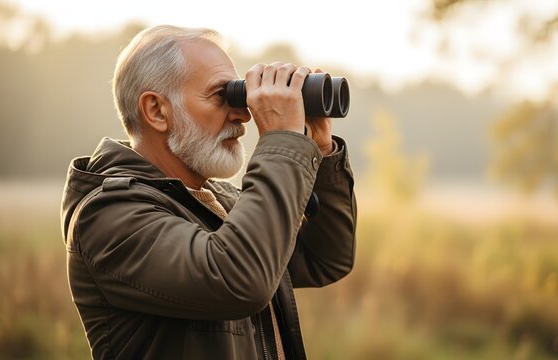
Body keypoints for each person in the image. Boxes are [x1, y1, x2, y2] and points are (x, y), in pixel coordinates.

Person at [60, 25, 356, 359]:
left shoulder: (218, 202)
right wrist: (282, 142)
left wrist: (319, 149)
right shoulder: (109, 216)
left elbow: (323, 259)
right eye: (222, 95)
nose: (243, 115)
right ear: (157, 111)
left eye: (239, 94)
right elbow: (239, 278)